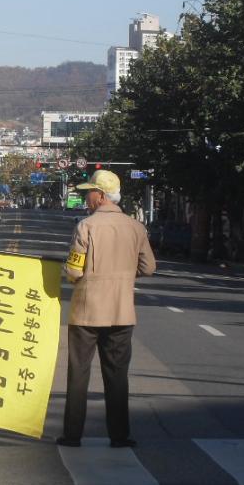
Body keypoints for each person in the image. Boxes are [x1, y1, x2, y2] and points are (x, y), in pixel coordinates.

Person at [57, 169, 156, 449]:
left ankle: (72, 434)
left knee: (79, 373)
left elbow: (75, 271)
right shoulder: (136, 228)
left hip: (87, 312)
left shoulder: (86, 227)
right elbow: (149, 267)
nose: (86, 197)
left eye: (89, 192)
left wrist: (67, 270)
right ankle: (120, 435)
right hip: (122, 312)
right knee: (117, 375)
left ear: (100, 196)